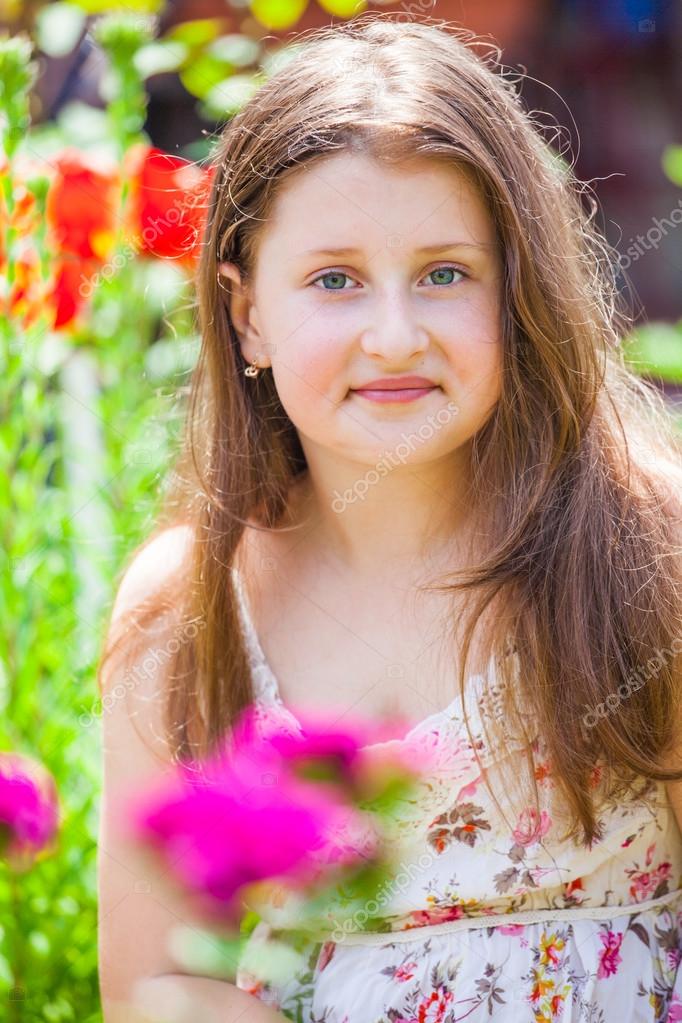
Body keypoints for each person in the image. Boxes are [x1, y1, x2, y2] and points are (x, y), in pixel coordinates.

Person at [97, 14, 682, 1022]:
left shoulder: (638, 549)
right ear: (246, 316)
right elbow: (154, 979)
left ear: (518, 292)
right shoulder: (191, 608)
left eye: (446, 274)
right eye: (334, 280)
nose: (395, 335)